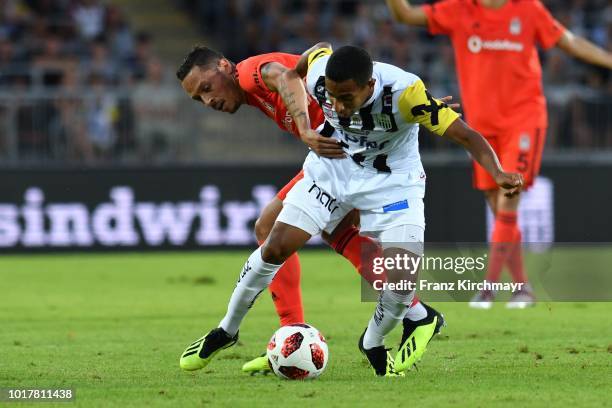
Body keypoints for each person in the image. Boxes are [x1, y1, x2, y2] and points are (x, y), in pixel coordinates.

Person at [178, 45, 523, 376]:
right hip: (337, 165)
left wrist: (308, 128)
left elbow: (285, 77)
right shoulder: (288, 82)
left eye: (207, 87)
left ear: (224, 66)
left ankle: (312, 330)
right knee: (300, 231)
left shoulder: (250, 73)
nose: (208, 100)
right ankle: (390, 318)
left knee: (273, 227)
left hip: (355, 161)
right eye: (198, 98)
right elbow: (314, 54)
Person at [386, 0, 612, 309]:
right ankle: (523, 289)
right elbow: (404, 14)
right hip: (481, 127)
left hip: (523, 117)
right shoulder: (458, 9)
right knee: (497, 205)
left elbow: (570, 43)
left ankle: (488, 288)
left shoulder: (529, 9)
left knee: (509, 195)